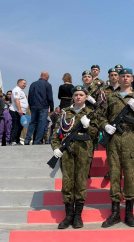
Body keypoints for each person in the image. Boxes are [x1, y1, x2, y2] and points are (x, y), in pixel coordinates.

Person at [100, 68, 134, 228]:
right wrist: (105, 126)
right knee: (114, 175)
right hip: (113, 140)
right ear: (118, 78)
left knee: (129, 176)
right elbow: (101, 116)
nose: (125, 79)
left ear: (132, 79)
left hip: (130, 140)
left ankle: (129, 213)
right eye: (122, 76)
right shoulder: (110, 96)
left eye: (128, 76)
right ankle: (115, 213)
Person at [51, 85, 99, 229]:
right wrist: (56, 148)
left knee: (80, 183)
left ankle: (78, 215)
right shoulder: (65, 112)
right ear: (73, 97)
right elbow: (55, 134)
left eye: (81, 94)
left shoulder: (91, 113)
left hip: (84, 152)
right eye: (76, 94)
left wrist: (88, 126)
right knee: (67, 183)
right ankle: (68, 215)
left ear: (85, 97)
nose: (78, 97)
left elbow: (95, 133)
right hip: (67, 153)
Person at [24, 71, 54, 145]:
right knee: (41, 124)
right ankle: (37, 141)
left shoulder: (33, 84)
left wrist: (30, 106)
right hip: (43, 107)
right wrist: (52, 108)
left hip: (34, 106)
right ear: (47, 77)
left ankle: (27, 139)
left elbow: (30, 96)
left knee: (32, 122)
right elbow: (50, 97)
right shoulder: (48, 85)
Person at [9, 79, 28, 145]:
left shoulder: (20, 91)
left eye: (25, 84)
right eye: (24, 83)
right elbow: (16, 100)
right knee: (16, 125)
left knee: (20, 126)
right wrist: (19, 109)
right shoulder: (16, 90)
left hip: (21, 111)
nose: (25, 85)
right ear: (19, 83)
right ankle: (12, 140)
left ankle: (17, 139)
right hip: (16, 110)